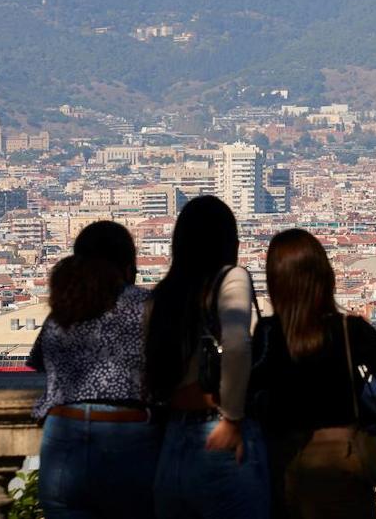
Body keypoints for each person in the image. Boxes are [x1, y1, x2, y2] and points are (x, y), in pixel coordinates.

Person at [253, 228, 376, 519]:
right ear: (325, 277)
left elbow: (247, 400)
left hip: (283, 468)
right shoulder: (350, 331)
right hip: (343, 464)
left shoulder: (267, 335)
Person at [145, 195, 268, 519]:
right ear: (228, 242)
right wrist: (232, 417)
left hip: (172, 441)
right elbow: (238, 345)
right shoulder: (230, 278)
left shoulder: (161, 296)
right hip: (218, 430)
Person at [28, 220, 158, 519]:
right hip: (126, 436)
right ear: (128, 265)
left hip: (62, 435)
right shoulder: (146, 306)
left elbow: (41, 363)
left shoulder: (63, 310)